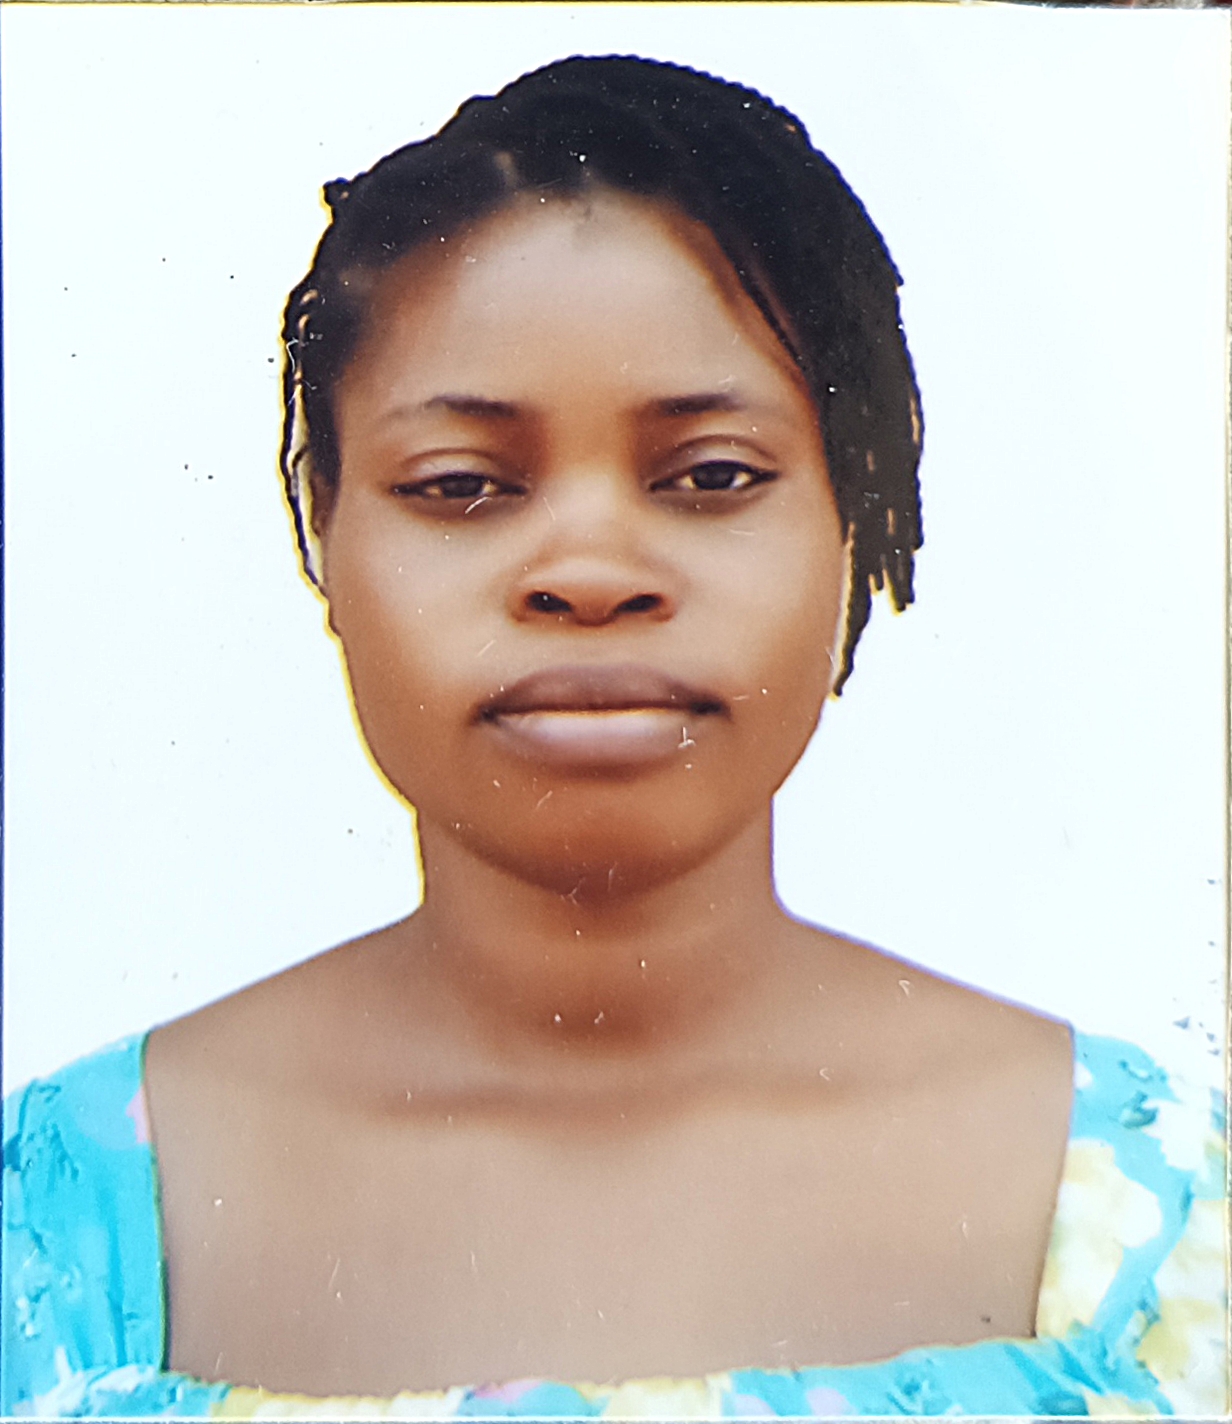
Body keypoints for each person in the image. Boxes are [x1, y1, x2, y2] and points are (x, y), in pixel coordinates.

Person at [3, 55, 1223, 1420]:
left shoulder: (1172, 1231)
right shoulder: (48, 1234)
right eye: (462, 486)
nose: (589, 570)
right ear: (323, 527)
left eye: (712, 476)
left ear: (856, 521)